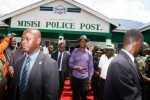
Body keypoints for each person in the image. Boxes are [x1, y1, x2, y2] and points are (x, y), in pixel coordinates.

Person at [11, 28, 59, 100]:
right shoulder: (18, 62)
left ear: (38, 41)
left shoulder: (50, 64)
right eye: (22, 39)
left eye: (27, 39)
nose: (23, 42)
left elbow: (51, 96)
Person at [104, 29, 144, 100]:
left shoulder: (128, 61)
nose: (142, 47)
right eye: (142, 43)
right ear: (138, 42)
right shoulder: (119, 64)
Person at [69, 35, 94, 100]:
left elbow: (91, 68)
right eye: (81, 41)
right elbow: (70, 63)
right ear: (79, 42)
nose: (82, 43)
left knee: (84, 96)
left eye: (84, 41)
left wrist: (89, 79)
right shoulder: (74, 51)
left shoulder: (89, 53)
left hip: (85, 78)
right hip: (75, 77)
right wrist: (76, 67)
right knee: (75, 96)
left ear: (86, 42)